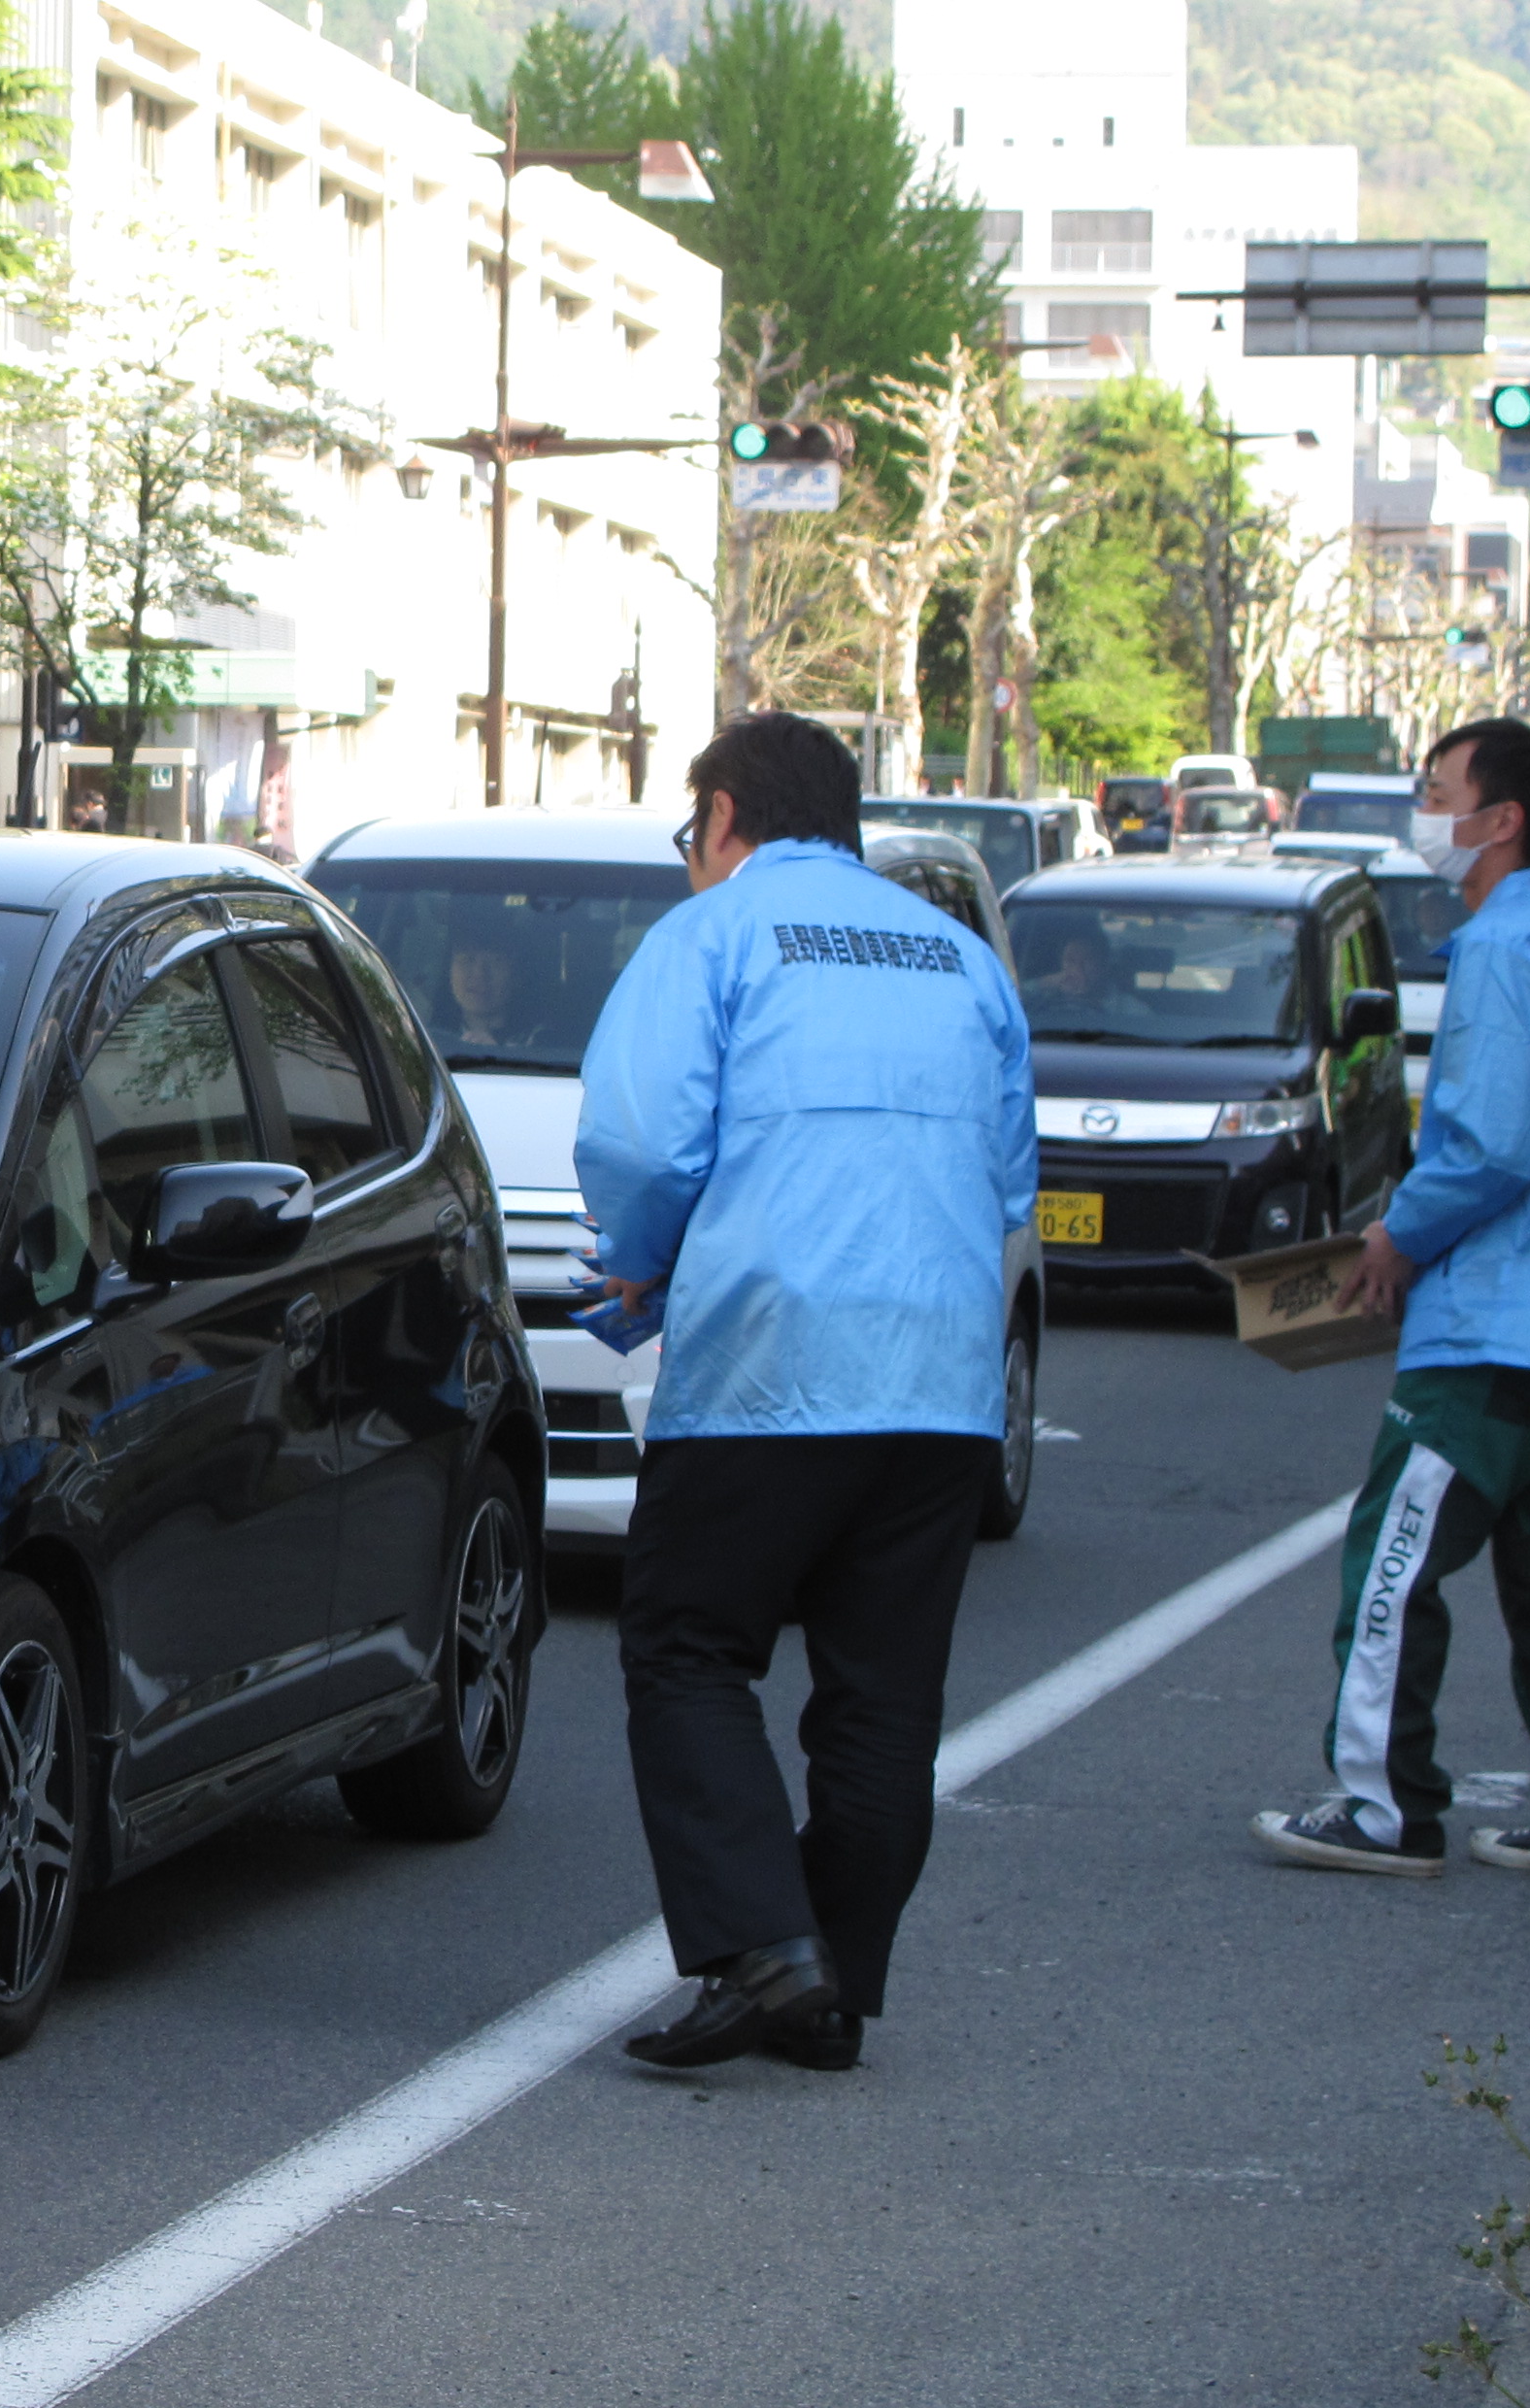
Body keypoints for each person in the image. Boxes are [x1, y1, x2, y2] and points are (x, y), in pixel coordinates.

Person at [570, 712, 1034, 2074]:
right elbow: (1010, 1173)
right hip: (944, 1377)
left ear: (722, 817)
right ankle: (833, 1986)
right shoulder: (956, 957)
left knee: (686, 1644)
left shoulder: (712, 939)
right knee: (883, 1697)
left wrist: (648, 1268)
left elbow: (640, 1143)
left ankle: (764, 1948)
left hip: (773, 1360)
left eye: (688, 831)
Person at [1253, 718, 1530, 1888]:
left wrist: (1397, 1232)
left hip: (1491, 1324)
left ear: (1501, 820)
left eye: (1437, 792)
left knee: (1392, 1557)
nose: (1421, 811)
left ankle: (1383, 1806)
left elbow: (1491, 1143)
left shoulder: (1501, 949)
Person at [440, 934, 556, 1054]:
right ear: (449, 972)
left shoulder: (543, 1043)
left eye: (495, 961)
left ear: (516, 977)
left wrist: (497, 1057)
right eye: (467, 960)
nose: (479, 974)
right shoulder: (428, 1038)